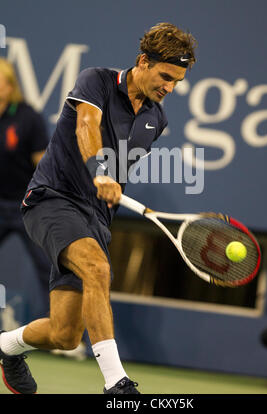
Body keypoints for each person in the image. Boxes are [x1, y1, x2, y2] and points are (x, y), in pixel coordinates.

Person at [0, 23, 197, 394]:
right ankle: (116, 384)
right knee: (97, 267)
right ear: (143, 61)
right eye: (165, 76)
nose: (169, 88)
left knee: (64, 334)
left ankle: (6, 347)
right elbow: (86, 126)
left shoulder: (158, 119)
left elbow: (120, 170)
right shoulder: (96, 81)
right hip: (51, 199)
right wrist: (99, 172)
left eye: (177, 82)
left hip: (94, 218)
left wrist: (112, 185)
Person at [0, 58, 50, 317]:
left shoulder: (28, 117)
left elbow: (42, 163)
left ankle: (67, 336)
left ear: (10, 87)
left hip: (26, 206)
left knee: (51, 267)